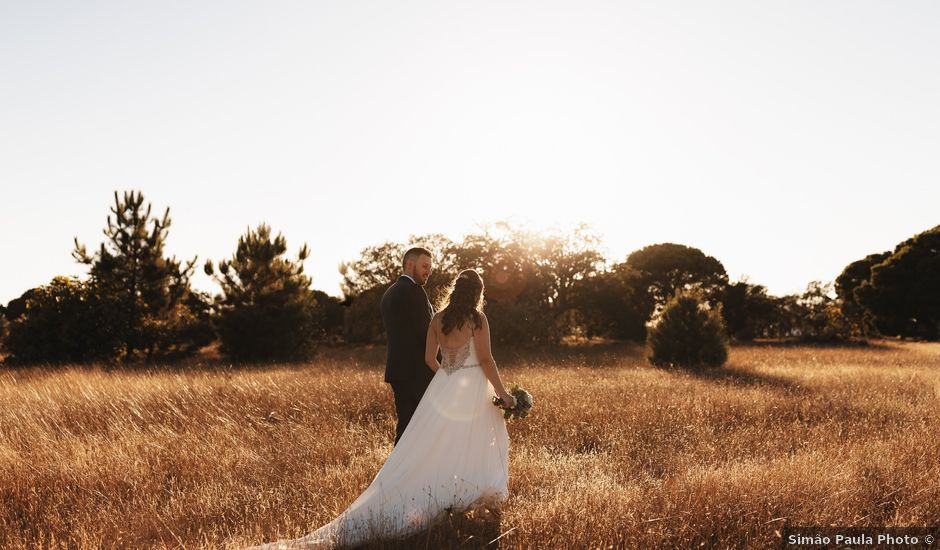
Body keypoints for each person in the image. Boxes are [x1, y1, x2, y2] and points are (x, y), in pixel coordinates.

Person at [245, 269, 517, 549]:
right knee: (472, 441)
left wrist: (447, 375)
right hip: (471, 387)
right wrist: (503, 393)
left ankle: (449, 498)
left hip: (444, 387)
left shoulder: (438, 319)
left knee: (435, 445)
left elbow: (428, 358)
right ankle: (466, 498)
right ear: (478, 292)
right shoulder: (477, 319)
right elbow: (486, 359)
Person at [379, 247, 436, 444]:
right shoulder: (414, 292)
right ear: (410, 264)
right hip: (418, 373)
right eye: (425, 266)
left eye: (430, 267)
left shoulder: (389, 293)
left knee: (407, 425)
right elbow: (428, 334)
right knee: (422, 426)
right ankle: (405, 472)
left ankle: (400, 471)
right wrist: (445, 366)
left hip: (399, 372)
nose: (428, 271)